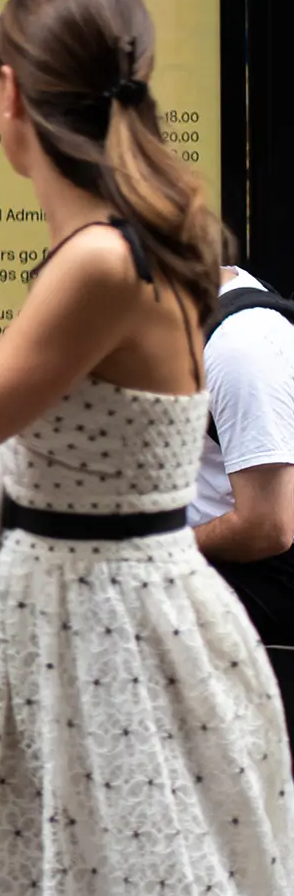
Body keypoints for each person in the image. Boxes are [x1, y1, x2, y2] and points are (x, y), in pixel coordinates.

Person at [0, 0, 294, 896]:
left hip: (98, 634)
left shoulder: (97, 258)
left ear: (8, 93)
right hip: (112, 623)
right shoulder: (139, 245)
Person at [190, 265, 294, 648]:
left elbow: (267, 528)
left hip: (264, 573)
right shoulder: (199, 324)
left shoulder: (240, 348)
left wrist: (156, 545)